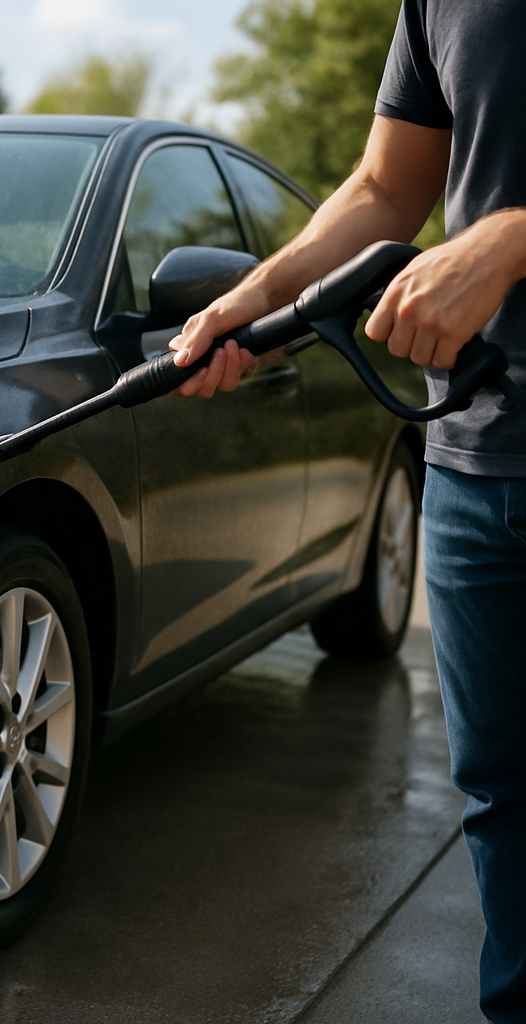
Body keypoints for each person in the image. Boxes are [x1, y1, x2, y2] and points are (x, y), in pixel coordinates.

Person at [167, 2, 526, 1020]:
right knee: (504, 800)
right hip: (475, 460)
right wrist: (256, 303)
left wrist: (511, 236)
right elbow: (386, 189)